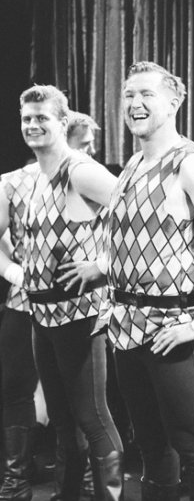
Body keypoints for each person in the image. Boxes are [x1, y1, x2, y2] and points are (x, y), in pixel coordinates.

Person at [92, 62, 194, 501]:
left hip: (173, 329)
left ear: (174, 102)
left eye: (146, 94)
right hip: (126, 329)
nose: (135, 103)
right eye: (128, 94)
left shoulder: (190, 163)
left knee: (191, 445)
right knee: (151, 446)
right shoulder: (134, 164)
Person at [0, 86, 123, 501]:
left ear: (62, 122)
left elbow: (140, 215)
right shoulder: (33, 177)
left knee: (93, 418)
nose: (32, 125)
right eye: (27, 119)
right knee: (64, 420)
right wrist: (14, 271)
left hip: (79, 314)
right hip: (41, 315)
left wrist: (102, 266)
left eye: (42, 118)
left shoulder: (80, 170)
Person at [0, 159, 40, 501]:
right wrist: (12, 271)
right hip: (21, 301)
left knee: (77, 395)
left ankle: (84, 480)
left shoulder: (86, 175)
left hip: (74, 302)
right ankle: (16, 480)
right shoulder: (13, 183)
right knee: (15, 388)